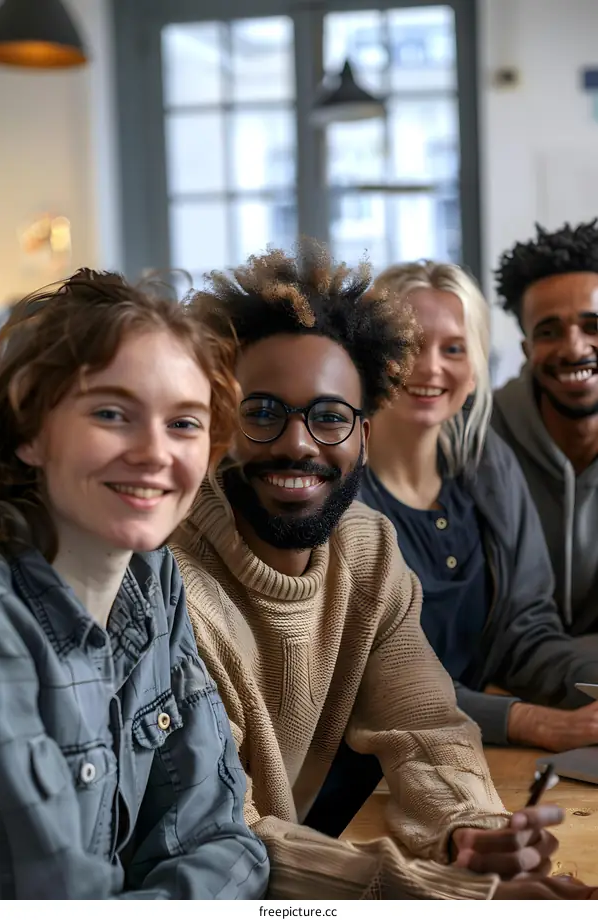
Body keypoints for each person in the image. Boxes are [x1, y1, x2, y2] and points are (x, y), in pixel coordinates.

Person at [171, 242, 592, 901]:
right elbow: (221, 844)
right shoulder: (171, 591)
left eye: (331, 417)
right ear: (220, 419)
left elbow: (427, 727)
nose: (299, 443)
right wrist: (439, 891)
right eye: (262, 413)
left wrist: (470, 836)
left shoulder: (367, 546)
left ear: (366, 428)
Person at [0, 269, 269, 899]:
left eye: (184, 423)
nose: (154, 452)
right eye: (112, 413)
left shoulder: (152, 582)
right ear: (32, 430)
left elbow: (225, 843)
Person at [354, 259, 598, 755]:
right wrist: (529, 721)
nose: (431, 367)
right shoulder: (336, 491)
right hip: (361, 777)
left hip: (469, 752)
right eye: (410, 345)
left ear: (475, 368)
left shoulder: (489, 466)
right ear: (369, 354)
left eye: (454, 349)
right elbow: (367, 683)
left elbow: (525, 638)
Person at [493, 220, 598, 636]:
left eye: (593, 326)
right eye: (549, 332)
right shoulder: (480, 442)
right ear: (527, 349)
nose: (574, 349)